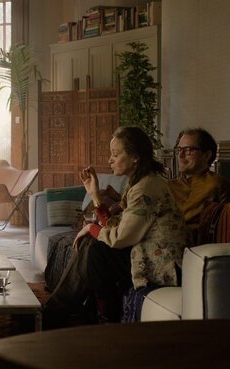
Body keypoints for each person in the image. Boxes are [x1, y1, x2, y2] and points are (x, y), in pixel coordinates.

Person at [43, 126, 187, 328]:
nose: (110, 160)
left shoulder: (147, 188)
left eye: (115, 154)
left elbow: (120, 238)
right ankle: (63, 312)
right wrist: (94, 194)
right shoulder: (138, 184)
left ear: (135, 157)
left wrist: (91, 229)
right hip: (140, 253)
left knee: (95, 251)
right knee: (92, 244)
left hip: (159, 265)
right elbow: (115, 224)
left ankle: (76, 315)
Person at [168, 128, 230, 246]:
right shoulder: (169, 186)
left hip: (199, 248)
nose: (180, 155)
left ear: (206, 155)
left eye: (188, 150)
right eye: (179, 149)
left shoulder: (218, 184)